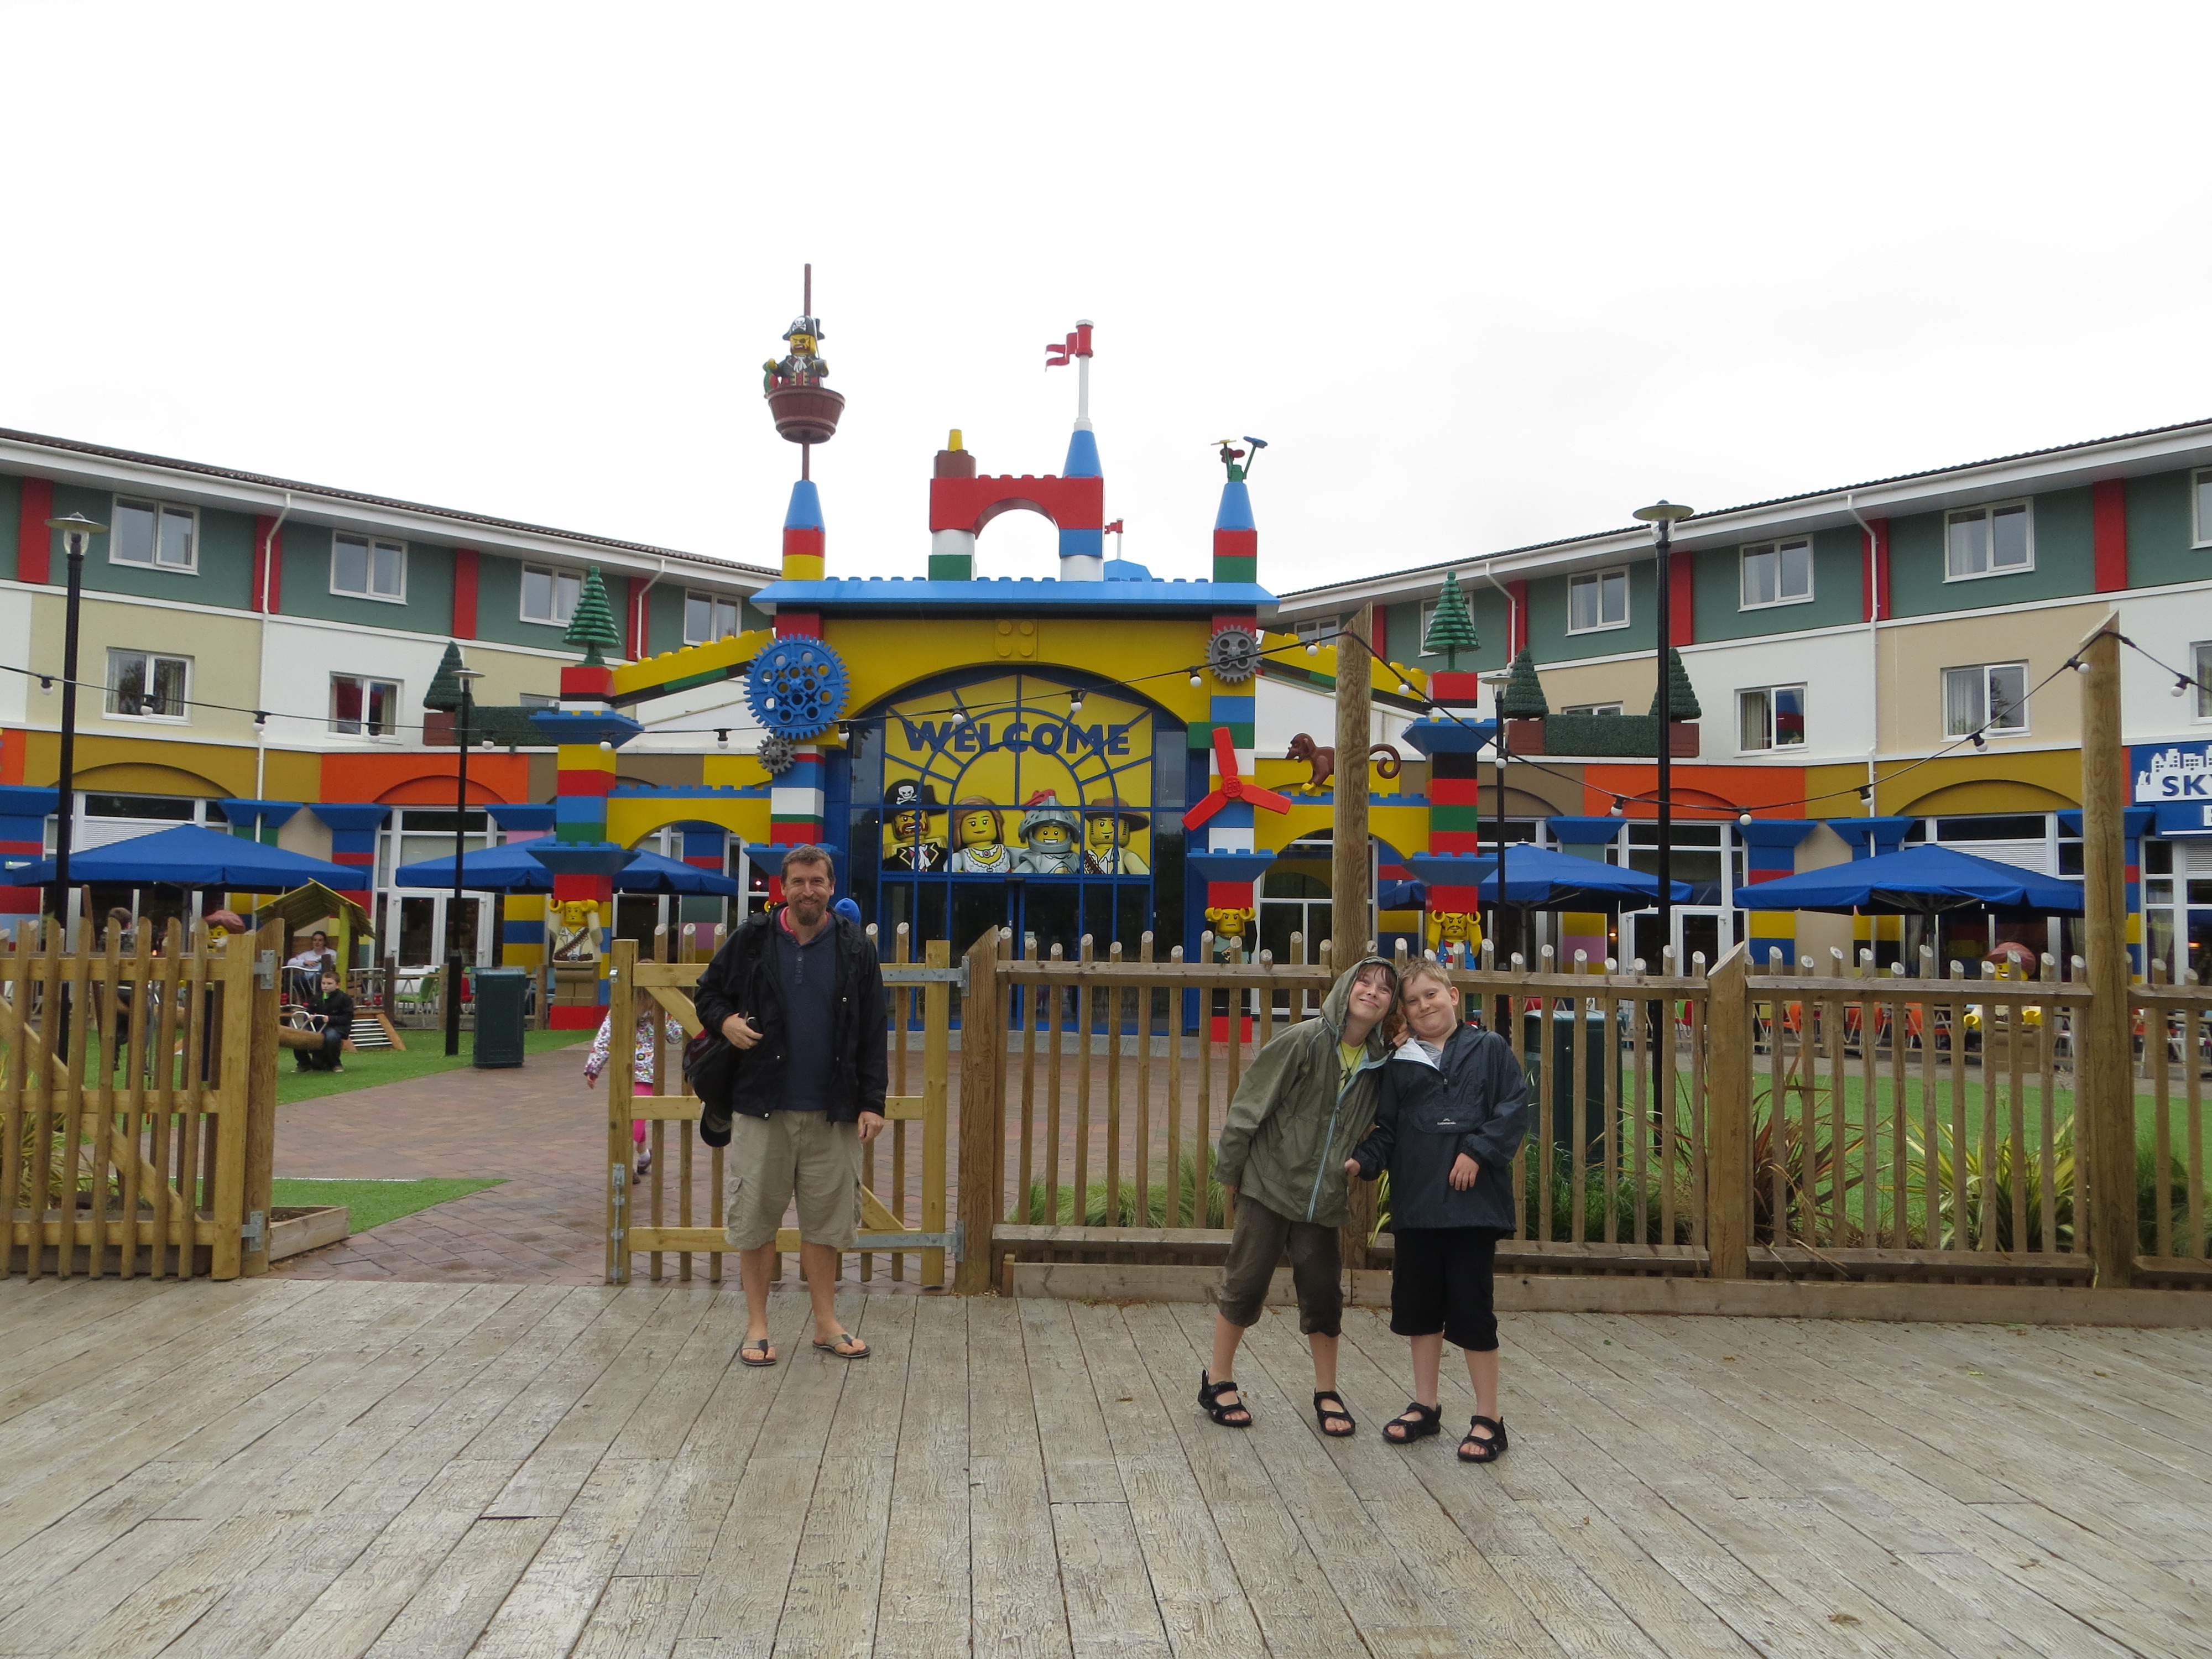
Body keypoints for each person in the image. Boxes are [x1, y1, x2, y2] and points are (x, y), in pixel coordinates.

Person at [693, 844, 888, 1367]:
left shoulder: (855, 946)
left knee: (826, 1224)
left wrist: (872, 1101)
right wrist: (725, 1022)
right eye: (798, 881)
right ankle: (757, 1327)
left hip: (833, 1109)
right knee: (755, 1221)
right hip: (762, 1105)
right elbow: (707, 994)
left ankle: (826, 1324)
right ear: (783, 888)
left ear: (831, 887)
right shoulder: (753, 939)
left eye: (817, 881)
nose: (808, 890)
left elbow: (873, 1028)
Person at [1204, 954, 1399, 1437]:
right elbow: (1249, 1106)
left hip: (1323, 1196)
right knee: (1246, 1283)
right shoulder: (1303, 1040)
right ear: (1346, 989)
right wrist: (1231, 1170)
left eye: (1384, 988)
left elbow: (1389, 1125)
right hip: (1268, 1184)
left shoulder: (1381, 1064)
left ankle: (1326, 1391)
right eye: (1364, 982)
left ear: (1390, 1004)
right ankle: (1218, 1380)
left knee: (1323, 1294)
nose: (1372, 992)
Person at [1348, 957, 1527, 1463]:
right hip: (1419, 1208)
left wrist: (1477, 1152)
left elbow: (1513, 1108)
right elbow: (1387, 1130)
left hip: (1472, 1212)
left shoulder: (1490, 1049)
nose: (1424, 1005)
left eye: (1432, 994)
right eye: (1413, 1000)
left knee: (1473, 1311)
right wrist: (1361, 1162)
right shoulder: (1399, 1063)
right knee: (1420, 1310)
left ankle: (1489, 1418)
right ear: (1403, 1013)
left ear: (1453, 995)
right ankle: (1425, 1406)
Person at [585, 1004, 688, 1182]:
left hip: (642, 1074)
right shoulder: (628, 1006)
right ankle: (643, 1156)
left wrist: (594, 1067)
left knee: (636, 1116)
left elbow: (674, 1036)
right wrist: (593, 1067)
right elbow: (675, 1036)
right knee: (635, 1116)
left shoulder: (655, 1008)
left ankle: (628, 1161)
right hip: (632, 1073)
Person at [299, 971, 354, 1072]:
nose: (325, 986)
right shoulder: (316, 997)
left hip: (336, 1026)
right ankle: (304, 1063)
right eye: (323, 983)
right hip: (317, 1025)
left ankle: (335, 1063)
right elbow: (309, 1011)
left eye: (329, 984)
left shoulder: (344, 998)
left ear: (337, 985)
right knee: (299, 1036)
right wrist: (309, 1017)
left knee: (332, 1037)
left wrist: (330, 1019)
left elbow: (347, 1017)